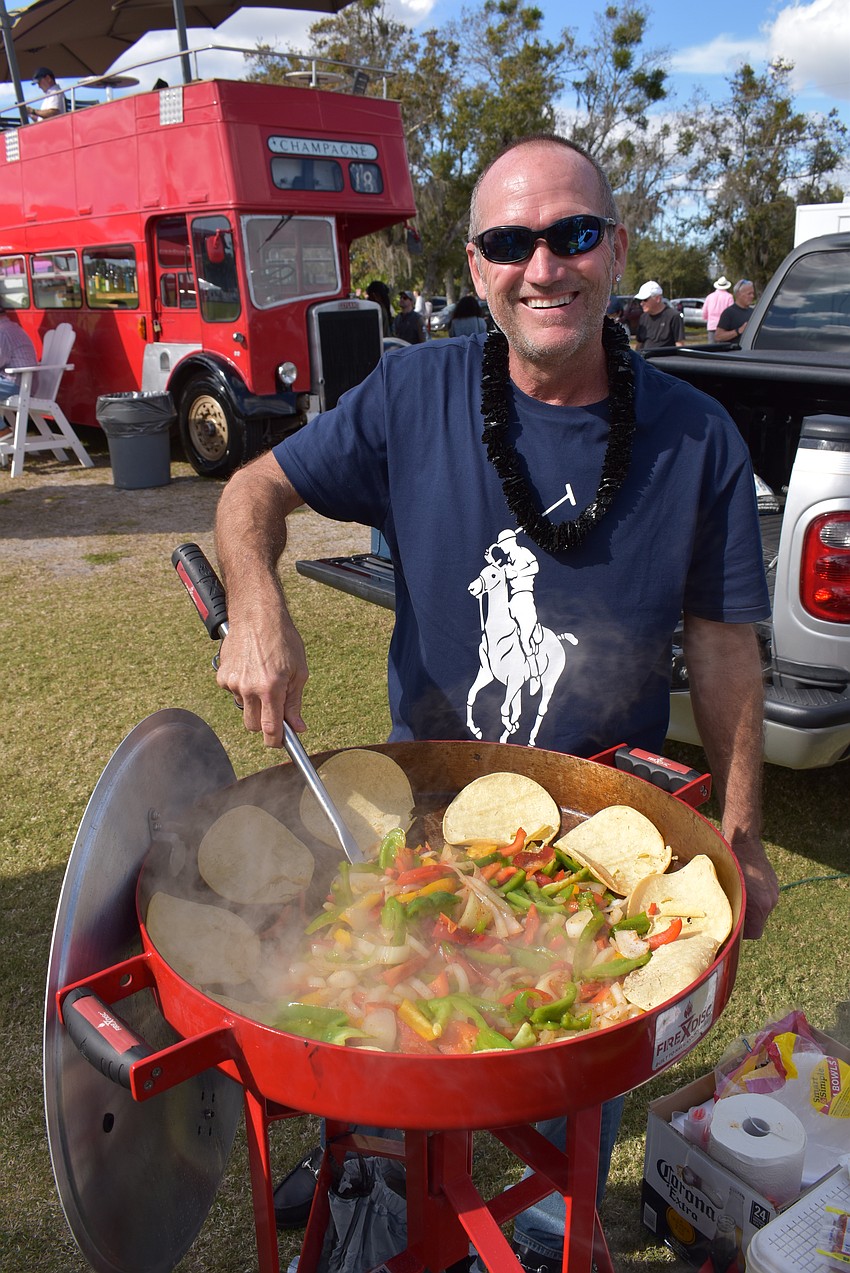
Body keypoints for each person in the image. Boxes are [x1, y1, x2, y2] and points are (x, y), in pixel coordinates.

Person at [213, 133, 779, 1271]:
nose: (544, 268)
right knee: (393, 1047)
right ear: (474, 267)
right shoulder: (412, 393)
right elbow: (250, 490)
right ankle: (370, 1171)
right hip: (413, 818)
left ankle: (527, 1217)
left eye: (571, 235)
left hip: (595, 839)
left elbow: (724, 649)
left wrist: (744, 833)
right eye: (510, 243)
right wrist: (255, 603)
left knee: (560, 1098)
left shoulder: (694, 438)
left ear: (614, 250)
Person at [0, 305, 37, 439]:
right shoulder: (9, 327)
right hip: (17, 381)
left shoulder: (2, 332)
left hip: (16, 384)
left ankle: (2, 430)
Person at [633, 280, 685, 351]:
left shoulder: (674, 316)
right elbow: (639, 343)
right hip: (645, 360)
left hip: (665, 360)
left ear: (657, 299)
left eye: (645, 300)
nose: (641, 303)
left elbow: (679, 345)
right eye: (640, 301)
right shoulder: (643, 318)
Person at [715, 278, 756, 345]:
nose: (752, 296)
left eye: (753, 293)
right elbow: (718, 336)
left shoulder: (753, 312)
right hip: (734, 353)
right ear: (738, 294)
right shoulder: (729, 313)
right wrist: (738, 331)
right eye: (749, 294)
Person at [701, 275, 734, 343]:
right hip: (724, 326)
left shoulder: (709, 297)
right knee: (723, 349)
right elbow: (731, 312)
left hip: (712, 325)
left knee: (712, 348)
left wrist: (707, 319)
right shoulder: (729, 297)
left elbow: (704, 311)